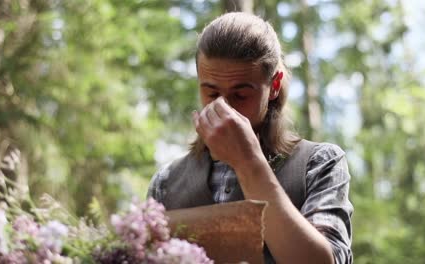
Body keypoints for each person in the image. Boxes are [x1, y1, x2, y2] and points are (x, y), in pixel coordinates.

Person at [147, 12, 353, 264]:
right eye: (211, 93)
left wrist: (249, 163)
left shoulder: (318, 163)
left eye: (241, 95)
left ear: (274, 84)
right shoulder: (166, 181)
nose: (225, 108)